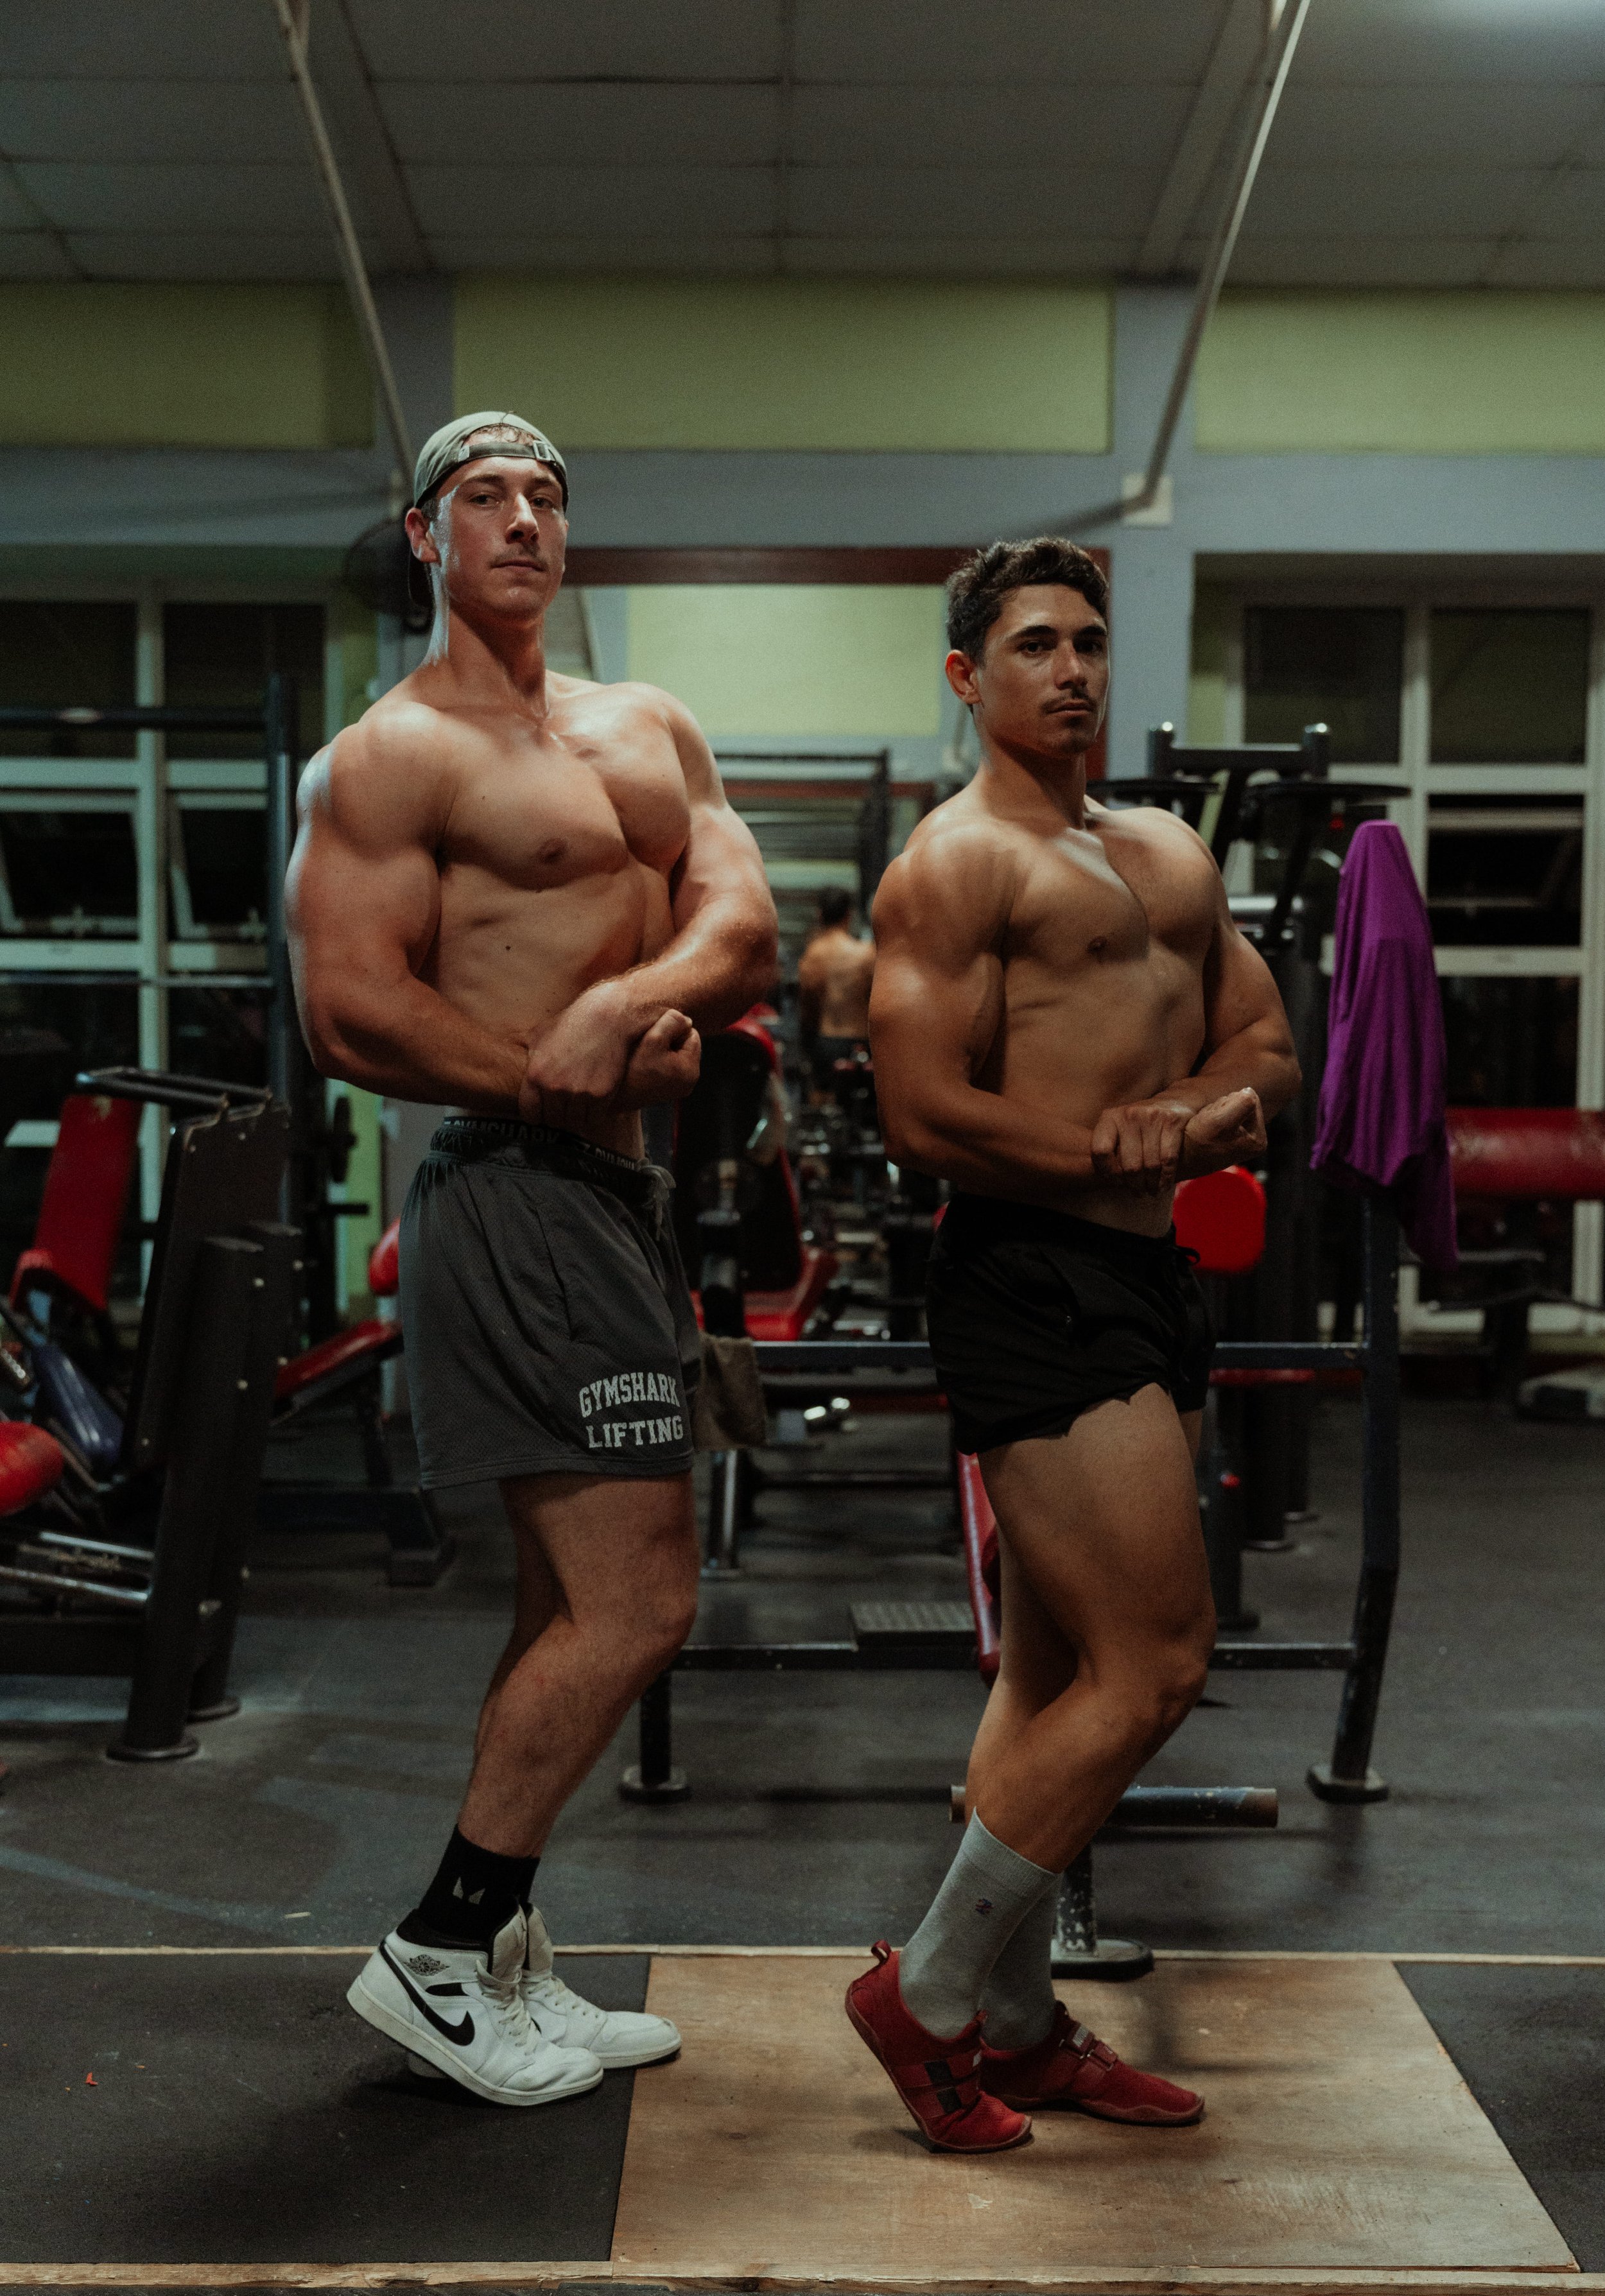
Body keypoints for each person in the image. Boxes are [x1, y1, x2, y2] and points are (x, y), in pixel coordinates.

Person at [286, 410, 777, 2107]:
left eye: (547, 495)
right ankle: (438, 1949)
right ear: (425, 535)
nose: (522, 518)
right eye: (483, 496)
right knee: (641, 1600)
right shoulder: (390, 757)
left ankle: (501, 1953)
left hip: (616, 1196)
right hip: (514, 1185)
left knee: (566, 1600)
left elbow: (740, 922)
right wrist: (548, 1067)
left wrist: (622, 1002)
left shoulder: (648, 725)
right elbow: (351, 1006)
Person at [848, 537, 1300, 2152]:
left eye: (1090, 641)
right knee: (1156, 1663)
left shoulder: (1164, 850)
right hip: (1031, 1278)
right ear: (965, 676)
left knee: (1051, 1672)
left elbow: (1265, 1042)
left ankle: (1025, 2027)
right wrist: (1104, 1150)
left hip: (1148, 1272)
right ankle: (928, 1996)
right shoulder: (953, 865)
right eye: (1035, 643)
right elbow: (920, 1114)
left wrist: (1180, 1115)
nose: (1073, 669)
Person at [798, 886, 874, 1096]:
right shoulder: (867, 954)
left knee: (825, 1099)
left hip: (827, 1042)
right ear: (849, 915)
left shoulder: (813, 954)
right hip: (862, 1042)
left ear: (820, 915)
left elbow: (808, 1007)